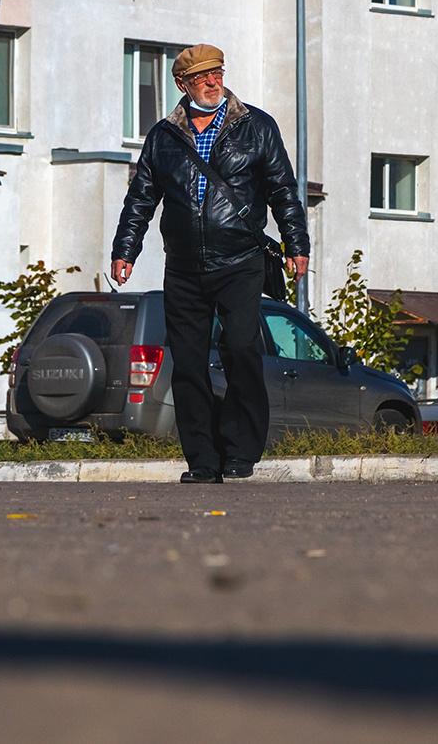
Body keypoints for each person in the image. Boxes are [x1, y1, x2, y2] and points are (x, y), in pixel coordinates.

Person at [111, 44, 309, 483]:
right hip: (183, 268)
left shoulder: (255, 127)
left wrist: (297, 244)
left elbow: (282, 190)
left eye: (217, 73)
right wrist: (125, 250)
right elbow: (141, 197)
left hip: (240, 261)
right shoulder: (164, 136)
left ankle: (241, 450)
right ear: (183, 85)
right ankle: (202, 460)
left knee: (240, 349)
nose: (213, 82)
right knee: (188, 363)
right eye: (202, 77)